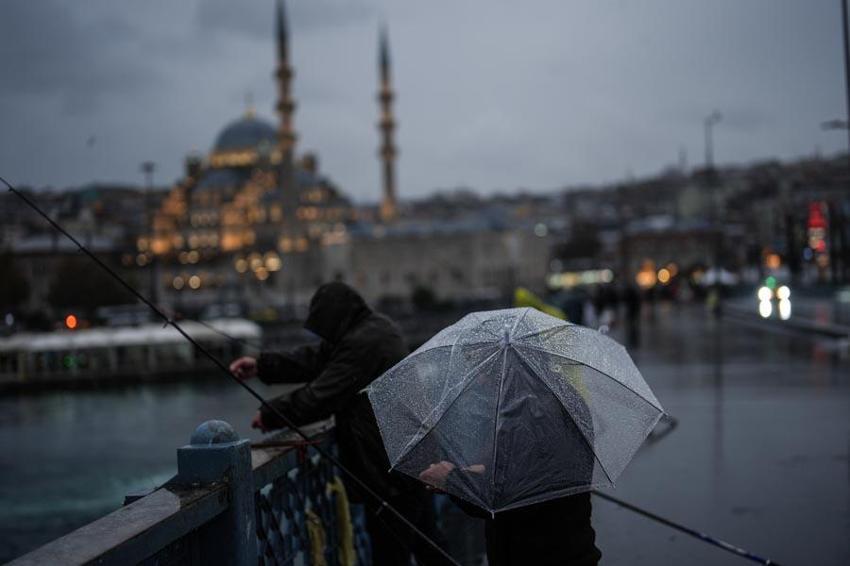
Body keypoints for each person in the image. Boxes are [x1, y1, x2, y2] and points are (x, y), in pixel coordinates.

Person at [230, 282, 450, 566]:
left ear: (334, 318)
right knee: (427, 544)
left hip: (390, 470)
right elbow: (316, 359)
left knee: (393, 552)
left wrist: (270, 414)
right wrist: (262, 365)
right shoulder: (371, 330)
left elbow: (322, 396)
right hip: (409, 459)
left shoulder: (365, 342)